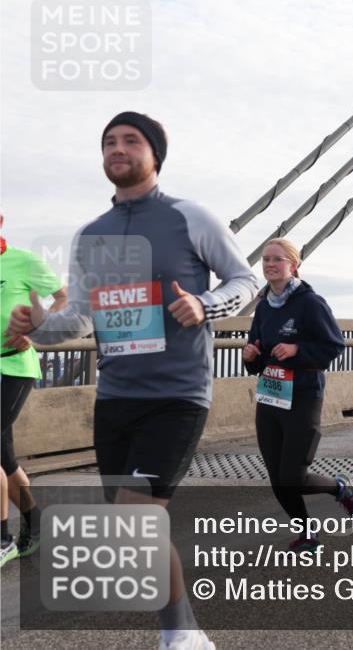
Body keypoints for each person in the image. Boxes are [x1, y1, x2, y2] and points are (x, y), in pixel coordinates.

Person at [6, 111, 258, 650]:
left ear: (155, 155)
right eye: (108, 142)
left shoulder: (192, 217)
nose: (117, 149)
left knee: (136, 518)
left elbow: (246, 280)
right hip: (115, 397)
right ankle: (180, 628)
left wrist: (205, 303)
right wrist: (38, 327)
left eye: (130, 140)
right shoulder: (90, 234)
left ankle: (183, 638)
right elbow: (78, 318)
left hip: (177, 395)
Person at [242, 238, 353, 553]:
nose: (270, 265)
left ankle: (339, 489)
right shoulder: (264, 306)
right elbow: (257, 356)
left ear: (292, 265)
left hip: (304, 395)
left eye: (277, 260)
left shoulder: (311, 303)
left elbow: (334, 345)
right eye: (265, 259)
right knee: (277, 478)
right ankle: (308, 535)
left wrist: (298, 349)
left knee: (292, 476)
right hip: (270, 396)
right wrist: (250, 354)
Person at [0, 211, 68, 566]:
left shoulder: (24, 261)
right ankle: (35, 524)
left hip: (13, 365)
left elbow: (62, 296)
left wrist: (36, 331)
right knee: (5, 457)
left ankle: (3, 539)